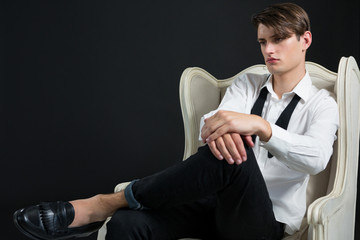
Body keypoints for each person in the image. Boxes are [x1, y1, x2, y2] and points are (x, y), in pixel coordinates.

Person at [13, 3, 339, 240]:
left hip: (263, 223)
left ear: (305, 40)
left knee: (236, 158)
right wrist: (223, 129)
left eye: (278, 39)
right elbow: (211, 124)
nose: (269, 50)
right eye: (263, 42)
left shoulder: (323, 104)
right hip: (212, 206)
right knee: (127, 225)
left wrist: (262, 127)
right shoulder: (246, 85)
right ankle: (116, 210)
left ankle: (101, 204)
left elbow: (316, 157)